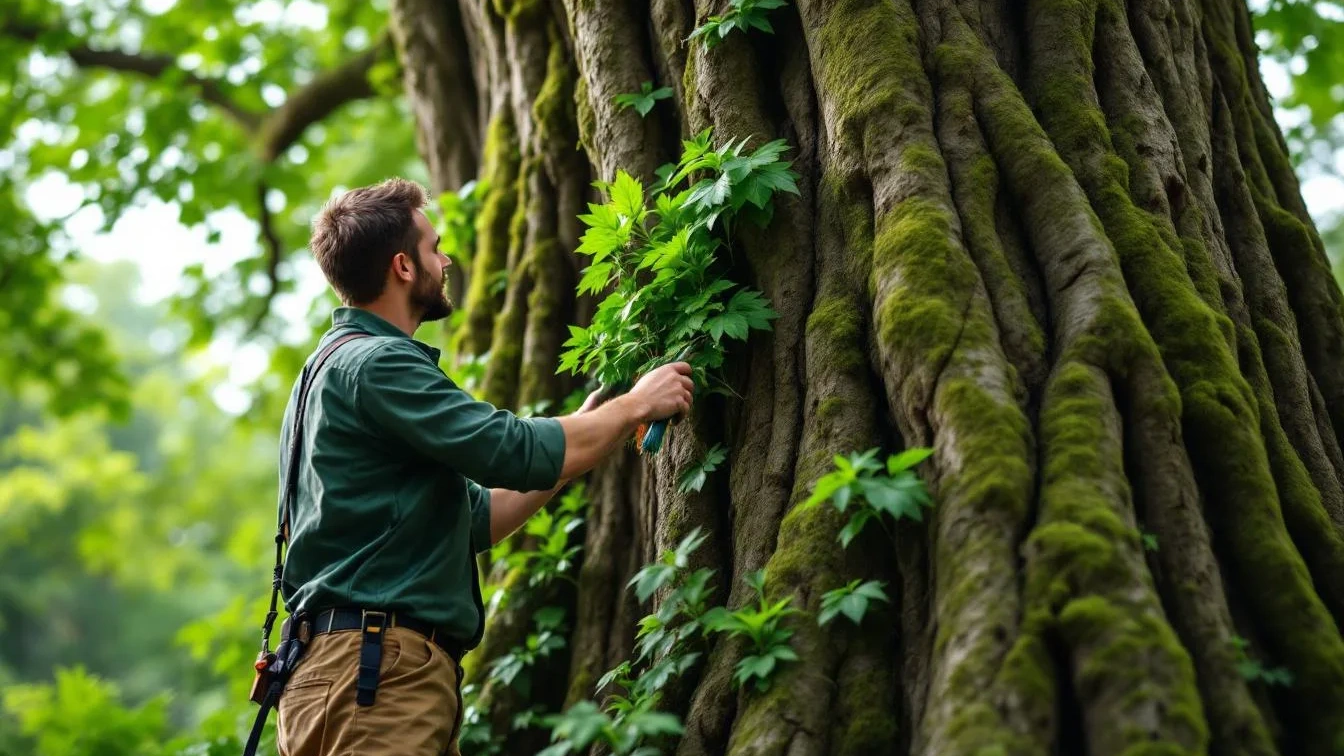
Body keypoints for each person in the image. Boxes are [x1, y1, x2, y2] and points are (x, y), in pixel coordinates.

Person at [272, 178, 693, 756]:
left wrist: (583, 443)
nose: (445, 260)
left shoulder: (324, 374)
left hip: (349, 672)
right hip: (376, 676)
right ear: (401, 266)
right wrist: (636, 404)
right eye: (434, 247)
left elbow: (477, 519)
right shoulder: (379, 364)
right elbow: (511, 449)